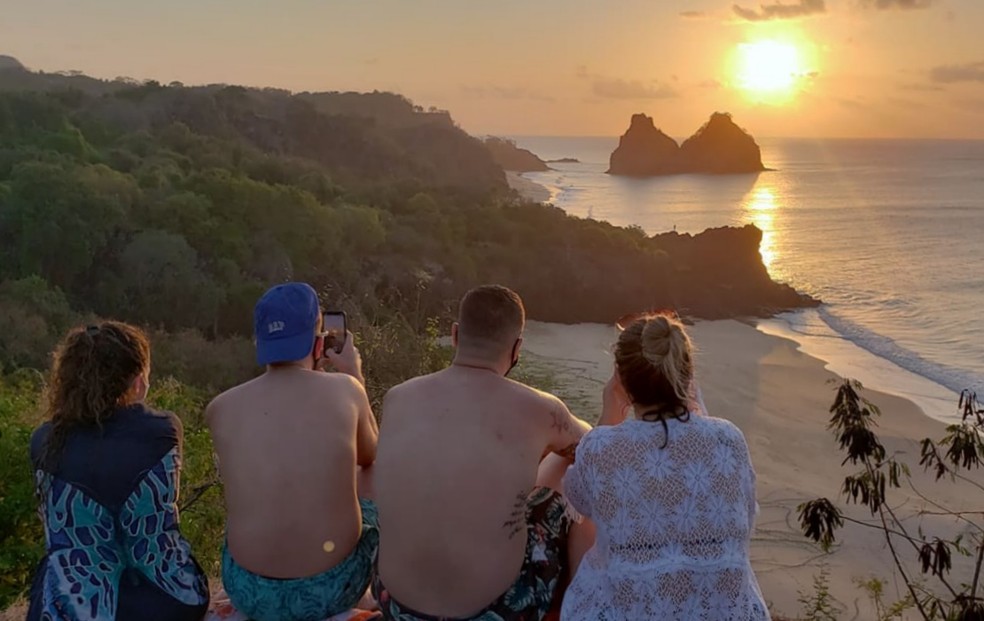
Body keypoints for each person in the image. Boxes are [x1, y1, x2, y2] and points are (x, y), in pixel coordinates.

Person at [372, 284, 592, 621]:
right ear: (517, 348)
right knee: (567, 474)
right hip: (498, 611)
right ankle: (581, 607)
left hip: (396, 606)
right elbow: (591, 449)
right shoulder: (539, 409)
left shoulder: (398, 397)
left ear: (456, 334)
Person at [560, 313, 770, 620]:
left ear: (620, 377)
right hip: (728, 611)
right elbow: (745, 519)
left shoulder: (600, 447)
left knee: (584, 525)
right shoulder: (729, 439)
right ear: (687, 373)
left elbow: (579, 503)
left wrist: (610, 414)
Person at [207, 282, 379, 621]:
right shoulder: (346, 390)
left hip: (247, 589)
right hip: (332, 589)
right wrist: (354, 373)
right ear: (319, 342)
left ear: (259, 342)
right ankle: (374, 596)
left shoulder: (221, 407)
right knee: (371, 469)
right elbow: (371, 454)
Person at [28, 322, 209, 621]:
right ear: (138, 382)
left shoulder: (44, 441)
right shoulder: (163, 430)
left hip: (71, 609)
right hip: (170, 600)